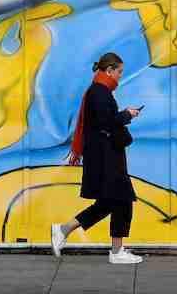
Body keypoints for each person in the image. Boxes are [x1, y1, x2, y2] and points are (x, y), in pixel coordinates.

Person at [51, 52, 143, 264]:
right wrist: (127, 115)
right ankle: (116, 251)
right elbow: (106, 122)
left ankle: (64, 230)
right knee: (121, 199)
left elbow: (104, 120)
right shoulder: (99, 92)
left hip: (105, 155)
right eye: (119, 72)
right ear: (109, 71)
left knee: (109, 202)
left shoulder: (100, 91)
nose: (120, 76)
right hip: (105, 157)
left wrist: (123, 115)